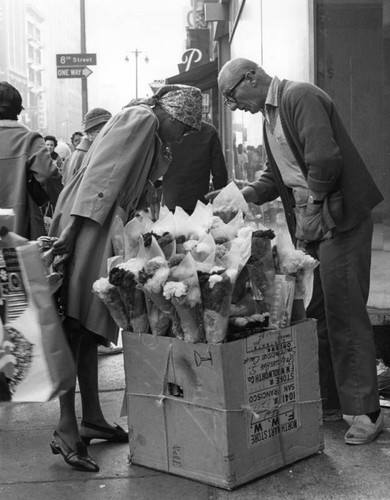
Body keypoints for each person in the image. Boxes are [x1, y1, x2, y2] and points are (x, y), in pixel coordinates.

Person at [210, 57, 384, 445]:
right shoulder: (270, 115)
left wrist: (315, 204)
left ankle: (366, 412)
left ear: (251, 77)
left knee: (344, 311)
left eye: (232, 95)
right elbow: (280, 174)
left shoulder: (299, 96)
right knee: (316, 312)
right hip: (315, 222)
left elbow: (324, 159)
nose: (234, 105)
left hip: (338, 221)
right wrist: (245, 194)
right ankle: (333, 400)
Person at [48, 84, 202, 472]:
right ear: (169, 114)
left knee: (89, 328)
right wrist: (71, 233)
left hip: (104, 224)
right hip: (89, 224)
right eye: (183, 127)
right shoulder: (142, 118)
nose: (183, 136)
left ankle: (93, 417)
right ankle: (66, 427)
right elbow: (101, 177)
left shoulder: (151, 130)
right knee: (74, 324)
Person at [0, 81, 61, 239]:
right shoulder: (29, 139)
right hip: (20, 231)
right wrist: (62, 205)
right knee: (17, 263)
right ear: (18, 109)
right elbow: (48, 175)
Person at [162, 120, 228, 214]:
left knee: (172, 228)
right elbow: (219, 171)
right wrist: (220, 198)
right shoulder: (209, 131)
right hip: (199, 201)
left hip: (171, 199)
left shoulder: (168, 129)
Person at [61, 108, 112, 186]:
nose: (108, 135)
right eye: (101, 132)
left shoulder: (75, 155)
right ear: (89, 134)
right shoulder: (88, 156)